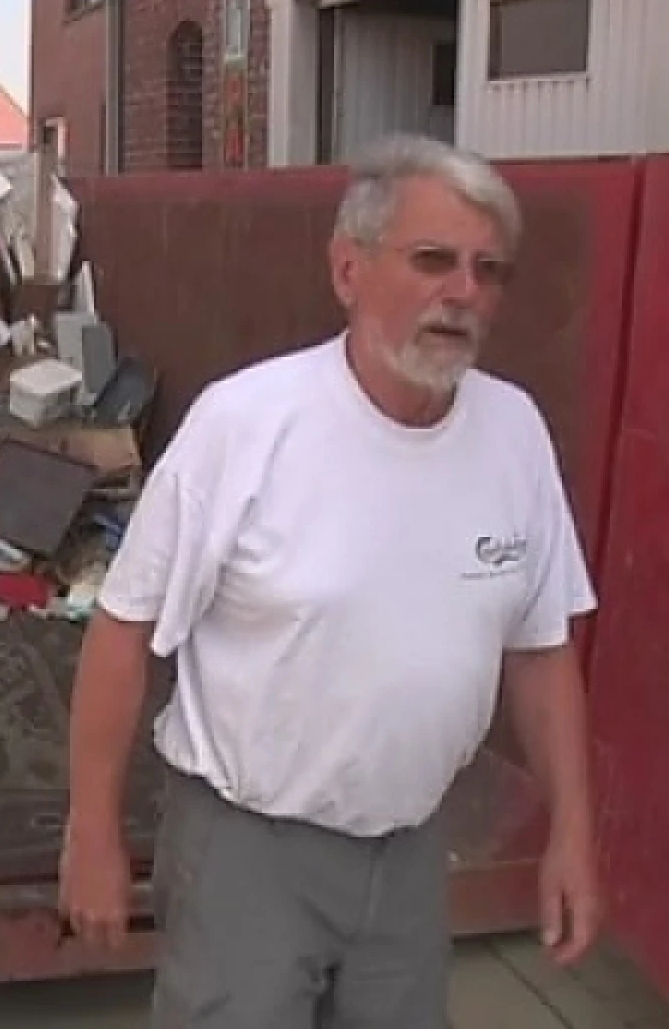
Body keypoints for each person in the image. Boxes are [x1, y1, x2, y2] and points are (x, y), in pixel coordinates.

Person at [58, 133, 602, 1028]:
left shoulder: (514, 433)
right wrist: (93, 832)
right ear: (349, 270)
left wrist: (574, 837)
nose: (463, 293)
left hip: (411, 851)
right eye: (432, 260)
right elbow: (123, 630)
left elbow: (541, 652)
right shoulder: (246, 425)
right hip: (248, 850)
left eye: (488, 270)